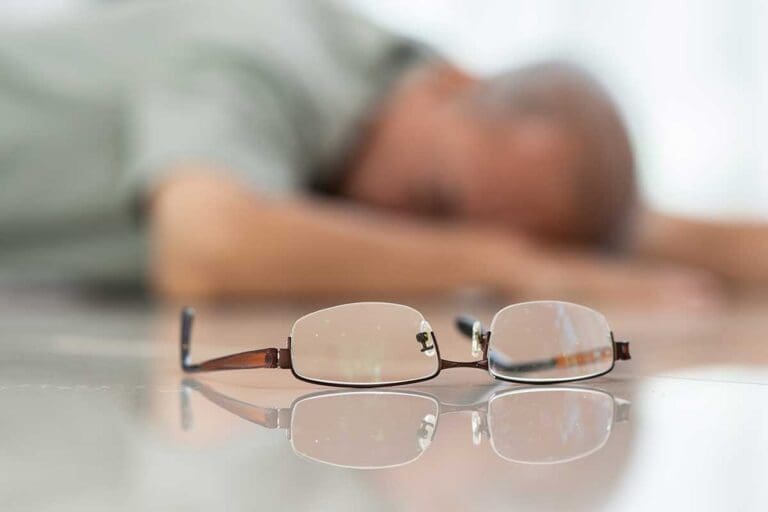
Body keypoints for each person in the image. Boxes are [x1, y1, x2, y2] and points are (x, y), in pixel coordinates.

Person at [0, 0, 764, 305]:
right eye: (436, 204)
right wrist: (510, 269)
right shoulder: (265, 46)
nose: (409, 236)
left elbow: (638, 234)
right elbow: (206, 251)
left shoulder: (444, 140)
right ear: (453, 82)